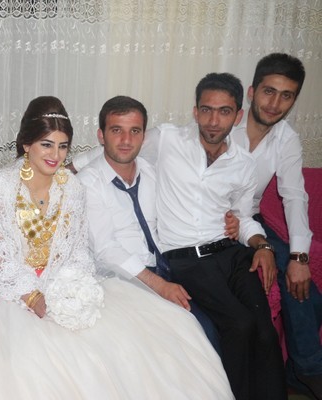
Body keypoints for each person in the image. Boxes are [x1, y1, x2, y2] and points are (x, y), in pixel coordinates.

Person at [0, 96, 234, 399]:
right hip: (10, 291)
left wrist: (72, 289)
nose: (55, 155)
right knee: (35, 360)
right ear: (27, 144)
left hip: (59, 283)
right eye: (46, 144)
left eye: (63, 146)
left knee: (154, 335)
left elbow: (78, 251)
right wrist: (33, 295)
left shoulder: (71, 187)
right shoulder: (1, 186)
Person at [138, 73, 286, 400]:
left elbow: (242, 217)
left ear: (238, 115)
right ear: (195, 111)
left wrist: (262, 245)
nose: (213, 121)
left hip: (231, 254)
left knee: (264, 330)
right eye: (206, 110)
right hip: (186, 258)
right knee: (239, 324)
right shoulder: (167, 139)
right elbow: (120, 148)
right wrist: (68, 167)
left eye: (224, 111)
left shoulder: (243, 163)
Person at [77, 95, 242, 353]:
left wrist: (233, 218)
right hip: (121, 280)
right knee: (184, 339)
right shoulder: (87, 183)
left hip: (168, 267)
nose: (126, 140)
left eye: (135, 131)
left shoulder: (152, 171)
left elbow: (191, 203)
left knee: (218, 328)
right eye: (116, 130)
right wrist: (159, 285)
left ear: (144, 136)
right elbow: (106, 250)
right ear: (101, 136)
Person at [231, 52, 322, 398]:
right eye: (269, 91)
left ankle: (302, 372)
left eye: (286, 96)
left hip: (251, 221)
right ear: (252, 91)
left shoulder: (286, 138)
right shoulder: (224, 123)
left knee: (305, 286)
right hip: (213, 223)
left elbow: (295, 195)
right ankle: (309, 372)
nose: (275, 104)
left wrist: (299, 257)